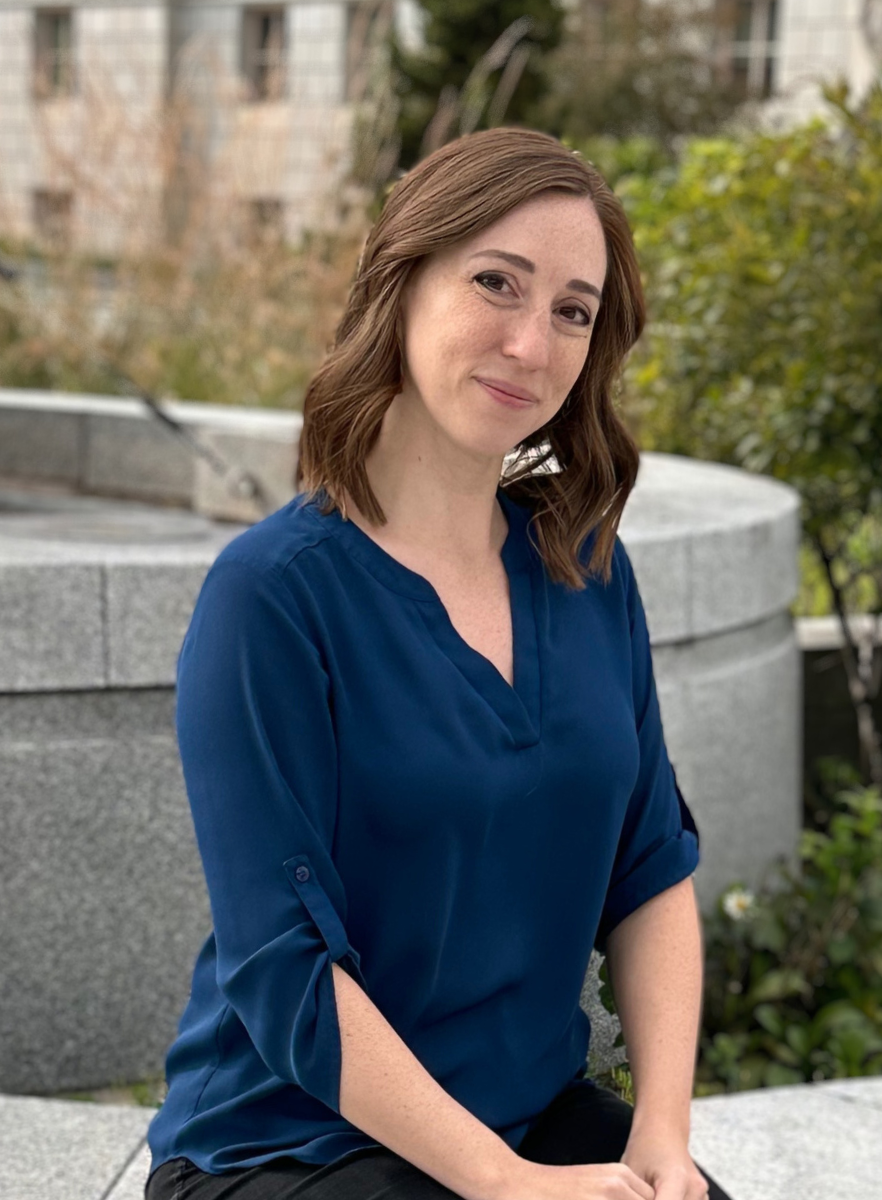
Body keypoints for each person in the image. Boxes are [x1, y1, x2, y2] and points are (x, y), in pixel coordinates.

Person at [144, 126, 734, 1200]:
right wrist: (503, 1186)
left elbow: (649, 871)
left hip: (528, 1111)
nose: (531, 344)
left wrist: (660, 1135)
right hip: (287, 1141)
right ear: (403, 283)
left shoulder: (588, 571)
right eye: (495, 285)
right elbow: (285, 973)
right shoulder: (271, 597)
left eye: (572, 311)